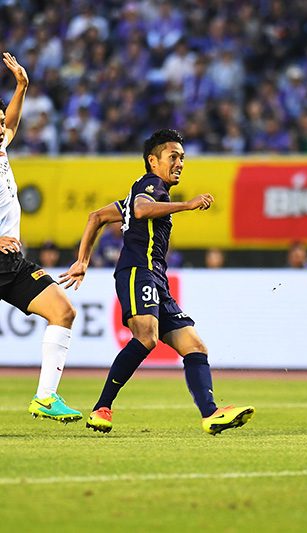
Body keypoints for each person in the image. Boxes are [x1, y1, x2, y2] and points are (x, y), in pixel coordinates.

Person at [59, 129, 254, 435]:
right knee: (147, 337)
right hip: (138, 271)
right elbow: (140, 208)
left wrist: (82, 261)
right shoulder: (151, 185)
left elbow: (96, 216)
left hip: (155, 278)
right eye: (173, 157)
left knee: (194, 346)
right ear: (153, 160)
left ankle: (211, 414)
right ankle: (101, 408)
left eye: (183, 158)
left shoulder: (142, 192)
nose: (180, 163)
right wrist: (187, 205)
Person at [0, 52, 82, 423]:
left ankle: (45, 397)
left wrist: (22, 86)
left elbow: (13, 123)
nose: (3, 128)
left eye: (1, 122)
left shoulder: (0, 146)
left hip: (10, 262)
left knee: (63, 311)